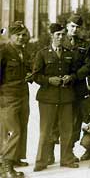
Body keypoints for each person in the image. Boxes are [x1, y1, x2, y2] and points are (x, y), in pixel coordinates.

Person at [32, 23, 80, 172]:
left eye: (62, 34)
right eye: (57, 34)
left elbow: (74, 72)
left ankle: (66, 159)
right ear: (51, 36)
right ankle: (41, 161)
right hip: (48, 98)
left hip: (66, 97)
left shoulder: (69, 53)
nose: (60, 37)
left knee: (67, 130)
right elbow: (36, 75)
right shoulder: (42, 53)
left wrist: (70, 77)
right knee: (45, 131)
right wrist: (48, 80)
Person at [0, 22, 32, 177]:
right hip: (8, 97)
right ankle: (5, 167)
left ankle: (16, 158)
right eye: (17, 34)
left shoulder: (23, 52)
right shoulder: (4, 52)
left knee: (22, 127)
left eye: (23, 34)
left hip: (23, 95)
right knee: (13, 131)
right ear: (10, 36)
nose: (21, 37)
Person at [63, 14, 90, 158]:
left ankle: (70, 150)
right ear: (67, 26)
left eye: (77, 27)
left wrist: (74, 77)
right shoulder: (60, 41)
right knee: (60, 120)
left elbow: (88, 65)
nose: (75, 29)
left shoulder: (84, 44)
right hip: (62, 88)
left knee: (76, 120)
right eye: (72, 26)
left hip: (78, 88)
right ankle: (50, 152)